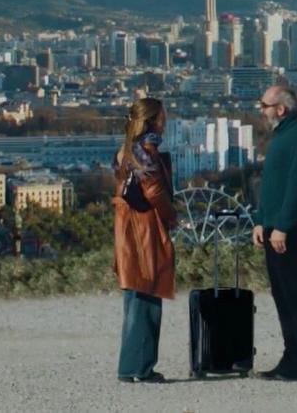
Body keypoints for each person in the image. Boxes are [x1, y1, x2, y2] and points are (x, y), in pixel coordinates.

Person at [252, 85, 297, 381]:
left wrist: (282, 225)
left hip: (287, 229)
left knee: (294, 294)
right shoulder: (284, 137)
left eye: (265, 106)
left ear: (281, 108)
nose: (262, 111)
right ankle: (292, 356)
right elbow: (273, 186)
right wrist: (261, 220)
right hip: (274, 226)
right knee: (283, 294)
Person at [112, 97, 178, 383]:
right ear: (153, 119)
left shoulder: (127, 149)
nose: (167, 120)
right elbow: (153, 191)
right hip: (145, 227)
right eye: (164, 115)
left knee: (135, 296)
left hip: (129, 227)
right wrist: (171, 215)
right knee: (146, 295)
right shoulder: (147, 150)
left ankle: (130, 366)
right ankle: (140, 367)